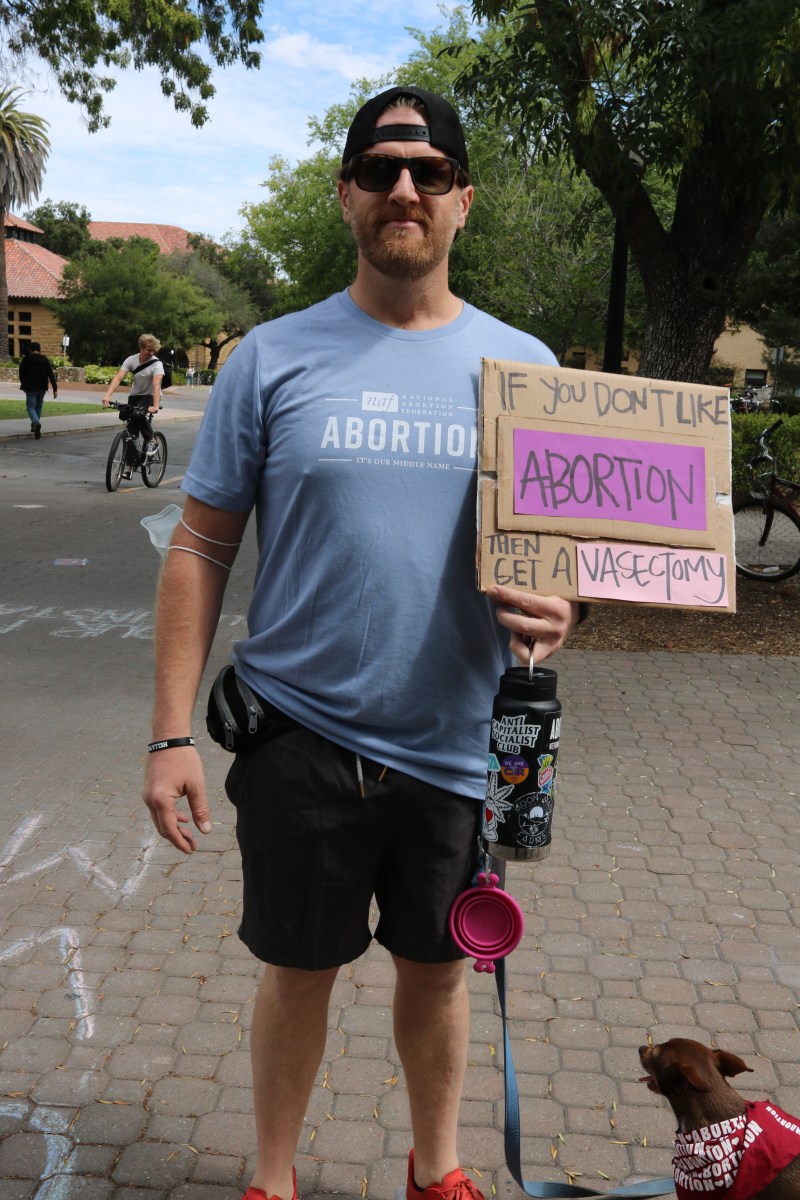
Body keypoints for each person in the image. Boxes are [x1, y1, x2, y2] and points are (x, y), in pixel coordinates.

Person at [143, 86, 581, 1200]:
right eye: (381, 170)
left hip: (455, 743)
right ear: (345, 196)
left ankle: (435, 1169)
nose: (403, 189)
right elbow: (197, 548)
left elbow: (560, 554)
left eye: (428, 172)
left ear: (461, 201)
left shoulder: (523, 367)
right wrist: (167, 736)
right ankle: (274, 1178)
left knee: (437, 975)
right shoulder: (271, 359)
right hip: (300, 738)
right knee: (298, 973)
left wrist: (565, 603)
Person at [102, 333, 163, 470]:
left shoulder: (157, 364)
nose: (151, 353)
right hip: (135, 396)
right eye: (149, 350)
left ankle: (152, 440)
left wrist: (155, 405)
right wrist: (107, 395)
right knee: (130, 431)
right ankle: (130, 464)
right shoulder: (131, 360)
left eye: (153, 350)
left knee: (138, 415)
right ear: (141, 348)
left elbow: (156, 385)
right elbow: (118, 378)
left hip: (150, 395)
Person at [19, 342, 58, 439]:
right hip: (42, 388)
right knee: (38, 407)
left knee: (31, 407)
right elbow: (51, 375)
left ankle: (36, 424)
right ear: (39, 349)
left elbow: (21, 374)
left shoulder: (26, 360)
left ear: (30, 349)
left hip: (30, 388)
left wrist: (23, 385)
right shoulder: (45, 360)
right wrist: (55, 389)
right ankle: (34, 426)